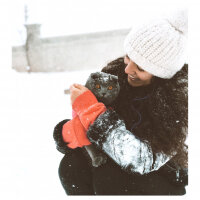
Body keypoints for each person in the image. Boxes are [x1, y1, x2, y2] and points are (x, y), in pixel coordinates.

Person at [53, 10, 188, 195]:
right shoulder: (116, 73)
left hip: (159, 177)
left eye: (140, 67)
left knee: (110, 177)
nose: (127, 69)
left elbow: (141, 160)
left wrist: (93, 113)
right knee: (71, 166)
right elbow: (86, 120)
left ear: (161, 74)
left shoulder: (180, 101)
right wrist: (69, 132)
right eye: (128, 57)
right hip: (113, 161)